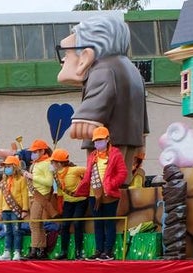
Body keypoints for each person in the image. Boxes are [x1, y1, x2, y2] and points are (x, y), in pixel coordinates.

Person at [57, 13, 148, 170]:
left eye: (67, 53)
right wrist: (142, 133)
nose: (64, 60)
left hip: (106, 140)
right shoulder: (133, 70)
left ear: (85, 56)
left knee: (102, 179)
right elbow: (141, 108)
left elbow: (101, 94)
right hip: (130, 136)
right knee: (121, 178)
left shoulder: (103, 68)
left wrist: (86, 116)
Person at [81, 126, 128, 260]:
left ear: (107, 139)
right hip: (93, 195)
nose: (97, 143)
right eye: (95, 141)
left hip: (109, 195)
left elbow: (122, 173)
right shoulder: (92, 155)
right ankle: (98, 250)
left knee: (109, 223)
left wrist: (111, 184)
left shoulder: (115, 153)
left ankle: (108, 251)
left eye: (100, 140)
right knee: (98, 223)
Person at [52, 148, 88, 260]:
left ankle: (79, 251)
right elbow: (59, 190)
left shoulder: (74, 170)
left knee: (77, 223)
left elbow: (89, 171)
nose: (51, 164)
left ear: (58, 163)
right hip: (68, 202)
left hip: (80, 200)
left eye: (52, 162)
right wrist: (59, 204)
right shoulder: (56, 174)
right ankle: (64, 251)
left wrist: (84, 185)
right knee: (65, 225)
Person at [23, 139, 54, 260]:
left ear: (42, 151)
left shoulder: (47, 163)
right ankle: (41, 249)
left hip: (41, 195)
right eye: (32, 152)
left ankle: (34, 249)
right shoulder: (35, 163)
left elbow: (49, 182)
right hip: (33, 195)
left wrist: (32, 176)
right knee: (37, 224)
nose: (33, 154)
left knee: (34, 223)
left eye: (36, 151)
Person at [0, 155, 29, 261]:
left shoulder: (21, 180)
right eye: (5, 167)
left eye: (9, 166)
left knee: (16, 231)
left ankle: (17, 252)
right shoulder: (3, 181)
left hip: (16, 210)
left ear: (15, 167)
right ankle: (7, 252)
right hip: (5, 210)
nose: (6, 169)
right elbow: (0, 196)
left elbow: (25, 195)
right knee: (7, 231)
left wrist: (25, 209)